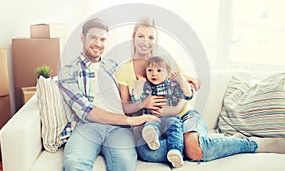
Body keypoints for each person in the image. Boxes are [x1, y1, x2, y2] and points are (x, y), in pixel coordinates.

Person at [115, 17, 285, 165]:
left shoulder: (165, 62)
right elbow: (126, 108)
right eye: (141, 36)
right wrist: (144, 103)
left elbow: (185, 90)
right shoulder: (124, 70)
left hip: (183, 115)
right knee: (148, 152)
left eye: (151, 37)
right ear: (133, 37)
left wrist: (174, 108)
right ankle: (199, 144)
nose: (146, 41)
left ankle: (252, 144)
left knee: (194, 150)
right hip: (154, 123)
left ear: (156, 41)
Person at [58, 18, 159, 171]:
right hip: (87, 127)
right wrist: (130, 121)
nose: (98, 44)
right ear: (82, 38)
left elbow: (131, 96)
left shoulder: (113, 65)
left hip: (119, 129)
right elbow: (88, 112)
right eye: (93, 38)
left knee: (125, 163)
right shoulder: (68, 72)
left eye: (103, 39)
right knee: (74, 164)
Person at [132, 55, 193, 168]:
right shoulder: (147, 87)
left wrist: (182, 80)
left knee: (175, 128)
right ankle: (153, 139)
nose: (154, 73)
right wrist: (140, 82)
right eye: (150, 70)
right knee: (150, 125)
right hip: (152, 117)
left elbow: (188, 95)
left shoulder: (172, 85)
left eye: (159, 70)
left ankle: (175, 151)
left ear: (168, 73)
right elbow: (136, 99)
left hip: (171, 117)